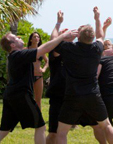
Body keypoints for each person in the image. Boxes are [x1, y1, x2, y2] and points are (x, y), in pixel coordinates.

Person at [0, 28, 78, 144]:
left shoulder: (16, 55)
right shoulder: (18, 54)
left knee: (3, 130)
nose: (19, 37)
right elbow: (44, 49)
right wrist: (63, 36)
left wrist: (60, 37)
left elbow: (45, 50)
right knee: (40, 127)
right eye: (15, 38)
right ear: (13, 45)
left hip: (10, 96)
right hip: (21, 96)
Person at [53, 6, 113, 144]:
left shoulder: (69, 48)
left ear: (78, 36)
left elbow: (53, 41)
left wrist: (59, 23)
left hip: (72, 95)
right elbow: (101, 36)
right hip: (92, 94)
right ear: (92, 37)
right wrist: (97, 18)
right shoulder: (96, 48)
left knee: (62, 132)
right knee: (106, 125)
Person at [45, 11, 67, 144]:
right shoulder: (55, 55)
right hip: (57, 96)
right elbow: (54, 42)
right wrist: (58, 24)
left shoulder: (71, 52)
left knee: (62, 133)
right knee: (54, 133)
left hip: (71, 97)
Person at [27, 32, 49, 109]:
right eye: (34, 37)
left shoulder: (41, 50)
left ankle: (38, 118)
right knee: (28, 98)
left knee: (38, 100)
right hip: (28, 76)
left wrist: (44, 69)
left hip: (39, 76)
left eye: (38, 37)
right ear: (30, 39)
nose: (37, 38)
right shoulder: (26, 50)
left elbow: (47, 61)